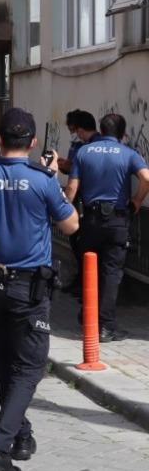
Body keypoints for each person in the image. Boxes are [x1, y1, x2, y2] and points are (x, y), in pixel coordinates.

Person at [0, 108, 79, 471]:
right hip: (29, 288)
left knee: (5, 361)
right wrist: (54, 181)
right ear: (35, 142)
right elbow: (71, 225)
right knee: (30, 366)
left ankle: (21, 435)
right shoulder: (42, 181)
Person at [62, 113, 149, 343]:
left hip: (90, 220)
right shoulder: (129, 153)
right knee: (111, 274)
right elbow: (147, 178)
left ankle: (88, 317)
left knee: (89, 268)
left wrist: (63, 215)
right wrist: (138, 201)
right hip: (117, 220)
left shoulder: (83, 152)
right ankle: (106, 327)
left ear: (100, 129)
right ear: (122, 134)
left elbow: (71, 190)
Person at [56, 110, 97, 293]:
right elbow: (73, 171)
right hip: (78, 200)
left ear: (81, 128)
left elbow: (85, 171)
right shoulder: (77, 145)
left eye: (74, 129)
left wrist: (63, 207)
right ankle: (80, 279)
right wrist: (64, 166)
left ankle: (88, 286)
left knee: (87, 245)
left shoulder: (92, 146)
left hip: (87, 201)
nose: (73, 133)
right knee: (76, 243)